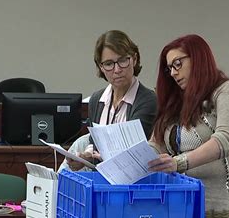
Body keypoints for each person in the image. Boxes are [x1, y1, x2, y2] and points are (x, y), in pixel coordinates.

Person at [147, 34, 229, 218]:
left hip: (224, 212)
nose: (173, 73)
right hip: (182, 211)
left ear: (198, 59)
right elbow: (155, 145)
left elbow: (225, 140)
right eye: (169, 68)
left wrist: (178, 163)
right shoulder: (175, 104)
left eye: (178, 64)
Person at [59, 30, 157, 172]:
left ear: (134, 59)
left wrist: (95, 157)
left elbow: (132, 152)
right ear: (101, 67)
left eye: (123, 60)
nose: (117, 70)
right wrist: (85, 158)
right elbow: (94, 144)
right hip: (101, 182)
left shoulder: (148, 100)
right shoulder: (97, 99)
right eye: (109, 64)